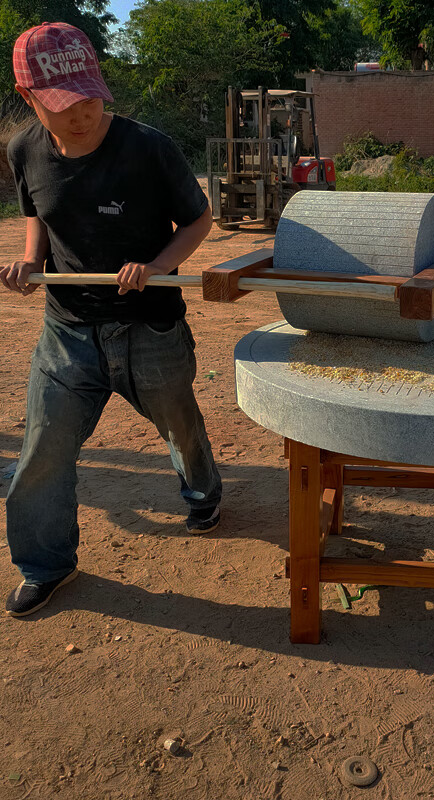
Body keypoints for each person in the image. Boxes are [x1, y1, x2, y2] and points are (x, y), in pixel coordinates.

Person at [2, 22, 222, 618]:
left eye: (90, 97)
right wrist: (29, 263)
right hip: (68, 329)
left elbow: (198, 222)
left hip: (150, 325)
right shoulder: (23, 150)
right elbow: (38, 216)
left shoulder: (148, 146)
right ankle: (45, 563)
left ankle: (202, 492)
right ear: (30, 98)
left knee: (178, 424)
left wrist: (156, 265)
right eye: (64, 104)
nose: (83, 114)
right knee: (43, 447)